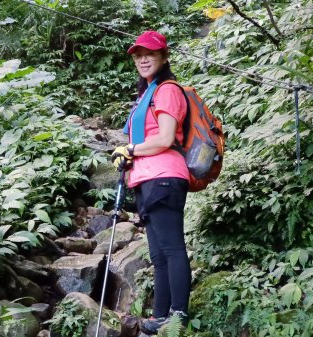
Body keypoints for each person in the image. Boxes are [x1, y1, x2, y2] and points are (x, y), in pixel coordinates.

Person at [111, 30, 191, 335]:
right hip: (147, 178)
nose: (143, 59)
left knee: (172, 249)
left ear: (163, 57)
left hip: (165, 177)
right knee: (158, 254)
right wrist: (129, 156)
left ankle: (178, 317)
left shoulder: (167, 90)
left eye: (150, 54)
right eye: (138, 55)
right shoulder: (147, 92)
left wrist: (130, 149)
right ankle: (160, 316)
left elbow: (166, 138)